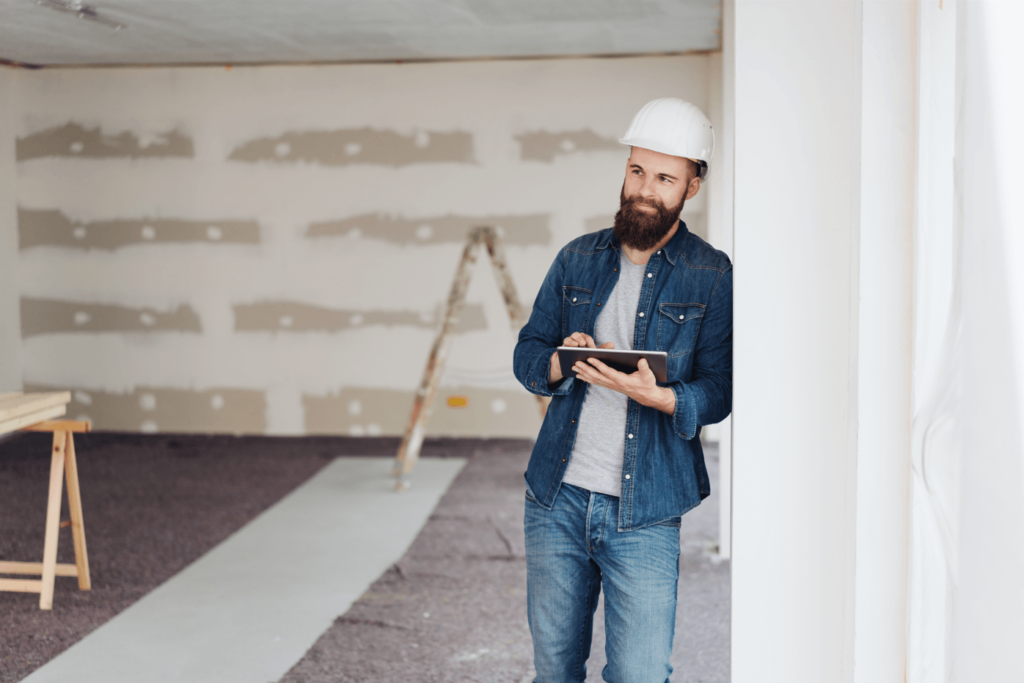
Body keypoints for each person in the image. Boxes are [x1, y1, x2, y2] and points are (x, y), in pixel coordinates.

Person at [512, 97, 733, 683]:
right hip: (555, 498)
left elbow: (719, 387)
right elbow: (528, 353)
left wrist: (667, 400)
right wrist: (563, 359)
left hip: (647, 511)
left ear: (692, 186)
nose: (645, 189)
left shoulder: (712, 274)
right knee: (554, 671)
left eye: (664, 177)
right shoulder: (577, 259)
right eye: (637, 170)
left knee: (639, 675)